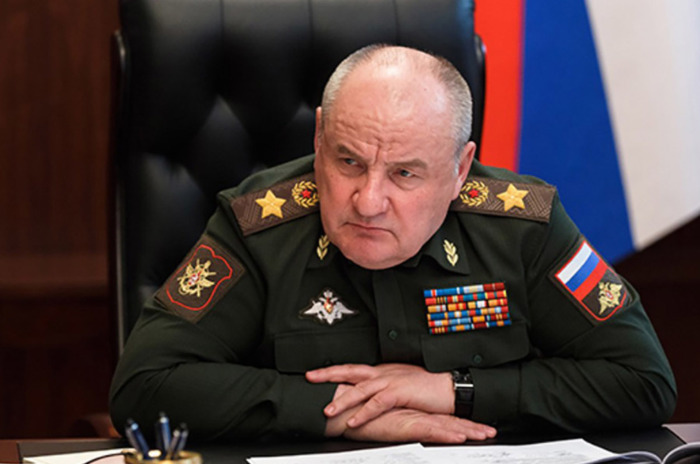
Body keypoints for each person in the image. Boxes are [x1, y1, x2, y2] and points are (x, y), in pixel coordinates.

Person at [109, 44, 676, 443]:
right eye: (348, 162)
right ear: (319, 138)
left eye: (405, 174)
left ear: (460, 170)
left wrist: (454, 391)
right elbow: (144, 385)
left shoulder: (524, 227)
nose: (368, 201)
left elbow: (643, 381)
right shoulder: (258, 227)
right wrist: (341, 413)